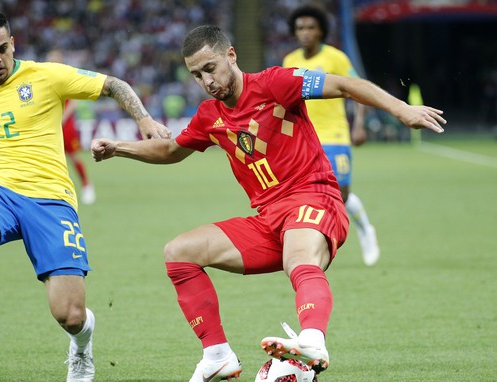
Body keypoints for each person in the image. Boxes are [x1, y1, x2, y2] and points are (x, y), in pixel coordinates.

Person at [91, 25, 445, 381]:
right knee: (179, 252)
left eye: (210, 68)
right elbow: (170, 150)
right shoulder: (210, 116)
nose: (206, 80)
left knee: (298, 259)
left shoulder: (276, 83)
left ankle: (312, 341)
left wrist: (402, 109)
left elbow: (345, 85)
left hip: (315, 199)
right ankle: (217, 356)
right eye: (197, 74)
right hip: (270, 221)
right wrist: (118, 148)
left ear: (231, 56)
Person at [0, 9, 170, 381]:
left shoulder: (47, 76)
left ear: (13, 42)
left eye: (3, 48)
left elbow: (113, 84)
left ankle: (82, 347)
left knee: (71, 316)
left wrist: (143, 118)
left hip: (51, 201)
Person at [283, 4, 379, 266]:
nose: (305, 32)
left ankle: (364, 229)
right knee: (308, 194)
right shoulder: (290, 61)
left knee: (342, 194)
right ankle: (312, 245)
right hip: (304, 139)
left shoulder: (336, 58)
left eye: (311, 27)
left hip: (335, 134)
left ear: (321, 31)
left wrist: (359, 123)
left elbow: (358, 89)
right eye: (300, 28)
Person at [47, 49, 96, 205]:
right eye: (51, 60)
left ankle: (87, 186)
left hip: (65, 126)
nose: (53, 63)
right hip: (49, 127)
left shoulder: (65, 77)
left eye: (56, 60)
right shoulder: (44, 79)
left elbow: (73, 103)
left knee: (74, 157)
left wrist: (61, 118)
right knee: (50, 159)